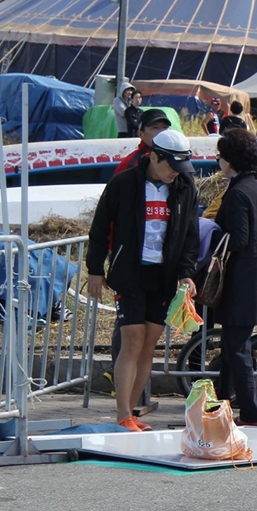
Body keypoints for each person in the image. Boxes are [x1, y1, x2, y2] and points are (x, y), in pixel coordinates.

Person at [86, 129, 200, 432]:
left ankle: (132, 412)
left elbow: (190, 236)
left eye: (181, 169)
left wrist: (187, 273)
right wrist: (95, 269)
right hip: (130, 272)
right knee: (132, 340)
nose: (176, 174)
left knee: (149, 345)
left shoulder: (186, 188)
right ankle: (123, 413)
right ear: (153, 156)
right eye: (171, 167)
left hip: (164, 275)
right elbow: (99, 228)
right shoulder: (124, 184)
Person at [212, 129, 257, 426]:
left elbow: (238, 238)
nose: (219, 163)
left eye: (220, 157)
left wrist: (210, 235)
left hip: (241, 280)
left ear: (229, 161)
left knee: (236, 349)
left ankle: (251, 411)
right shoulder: (256, 187)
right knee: (231, 346)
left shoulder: (237, 192)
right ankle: (219, 404)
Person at [115, 109, 173, 176]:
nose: (161, 132)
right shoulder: (130, 164)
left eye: (165, 127)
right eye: (155, 127)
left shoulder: (178, 158)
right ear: (140, 134)